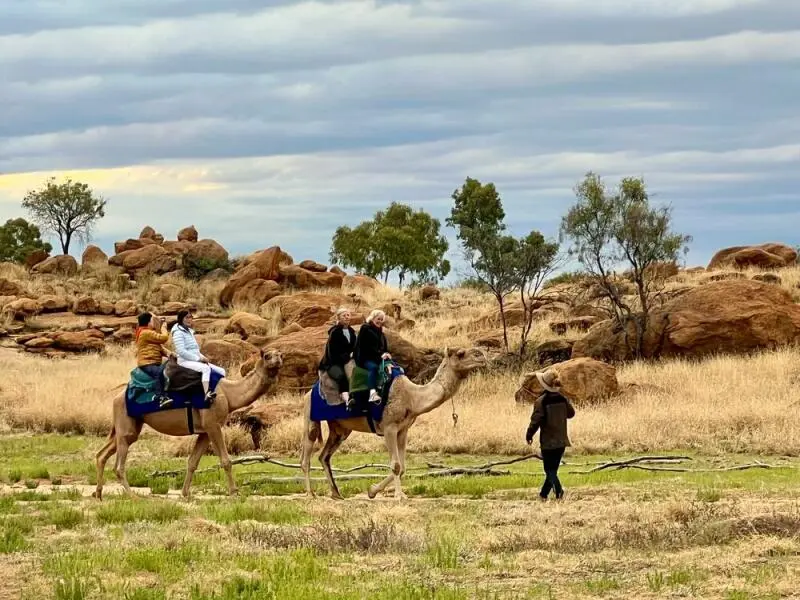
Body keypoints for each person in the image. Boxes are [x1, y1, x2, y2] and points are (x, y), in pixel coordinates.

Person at [525, 369, 575, 501]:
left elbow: (536, 420)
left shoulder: (541, 401)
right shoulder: (563, 399)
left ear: (544, 384)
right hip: (562, 441)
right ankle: (543, 494)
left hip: (548, 442)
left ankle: (559, 491)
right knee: (552, 470)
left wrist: (529, 434)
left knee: (549, 470)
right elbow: (571, 414)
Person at [171, 309, 226, 404]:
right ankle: (207, 394)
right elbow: (181, 351)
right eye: (186, 317)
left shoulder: (188, 331)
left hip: (194, 359)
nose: (189, 320)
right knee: (205, 369)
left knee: (221, 371)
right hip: (184, 361)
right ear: (181, 319)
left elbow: (195, 350)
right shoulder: (178, 332)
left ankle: (222, 393)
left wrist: (202, 357)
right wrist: (198, 359)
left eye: (190, 317)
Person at [319, 307, 357, 406]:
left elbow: (355, 346)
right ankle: (347, 400)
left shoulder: (352, 332)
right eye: (344, 315)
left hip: (348, 360)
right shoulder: (335, 333)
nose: (347, 317)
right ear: (338, 318)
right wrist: (348, 356)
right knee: (341, 377)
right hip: (333, 362)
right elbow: (333, 352)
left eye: (348, 315)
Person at [354, 309, 391, 404]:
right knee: (373, 368)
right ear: (373, 318)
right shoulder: (365, 328)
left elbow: (384, 347)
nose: (380, 321)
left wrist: (386, 353)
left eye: (382, 319)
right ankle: (372, 393)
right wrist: (380, 355)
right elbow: (365, 347)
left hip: (378, 358)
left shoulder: (381, 332)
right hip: (365, 358)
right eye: (378, 318)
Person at [134, 312, 170, 405]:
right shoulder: (145, 333)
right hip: (147, 363)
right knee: (159, 373)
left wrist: (170, 354)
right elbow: (163, 338)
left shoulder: (147, 333)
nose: (153, 323)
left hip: (153, 362)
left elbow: (159, 347)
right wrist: (163, 328)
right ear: (148, 322)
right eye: (152, 321)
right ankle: (160, 397)